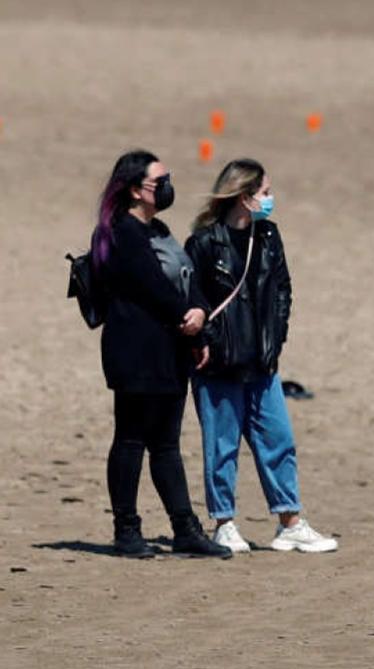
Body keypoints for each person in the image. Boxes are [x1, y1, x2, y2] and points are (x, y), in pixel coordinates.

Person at [184, 159, 337, 555]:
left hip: (262, 361)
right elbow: (192, 299)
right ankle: (224, 523)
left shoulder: (268, 235)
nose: (271, 199)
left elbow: (283, 289)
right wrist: (211, 340)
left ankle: (290, 522)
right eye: (265, 192)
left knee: (277, 439)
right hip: (218, 364)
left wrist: (276, 336)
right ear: (243, 196)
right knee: (222, 446)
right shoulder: (204, 242)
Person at [90, 149, 232, 559]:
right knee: (132, 439)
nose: (168, 186)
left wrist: (200, 314)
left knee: (167, 443)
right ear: (135, 190)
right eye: (160, 180)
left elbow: (186, 278)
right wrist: (183, 317)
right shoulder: (120, 232)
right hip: (135, 351)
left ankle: (185, 528)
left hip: (171, 351)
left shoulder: (161, 229)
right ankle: (126, 529)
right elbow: (150, 285)